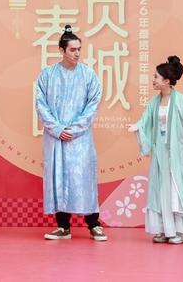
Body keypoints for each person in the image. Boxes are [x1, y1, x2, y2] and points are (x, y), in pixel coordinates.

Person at [127, 56, 183, 245]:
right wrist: (138, 127)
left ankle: (178, 230)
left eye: (156, 77)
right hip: (160, 154)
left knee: (176, 189)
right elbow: (145, 120)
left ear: (166, 81)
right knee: (160, 190)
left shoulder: (181, 100)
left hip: (177, 154)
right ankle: (164, 229)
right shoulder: (154, 102)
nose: (153, 80)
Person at [36, 25, 107, 241]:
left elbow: (93, 105)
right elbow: (41, 105)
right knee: (58, 177)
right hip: (55, 137)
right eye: (72, 49)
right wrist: (57, 129)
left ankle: (94, 224)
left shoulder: (88, 75)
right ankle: (63, 226)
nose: (77, 53)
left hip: (80, 138)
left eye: (79, 49)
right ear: (61, 50)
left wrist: (73, 130)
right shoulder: (48, 75)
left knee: (83, 178)